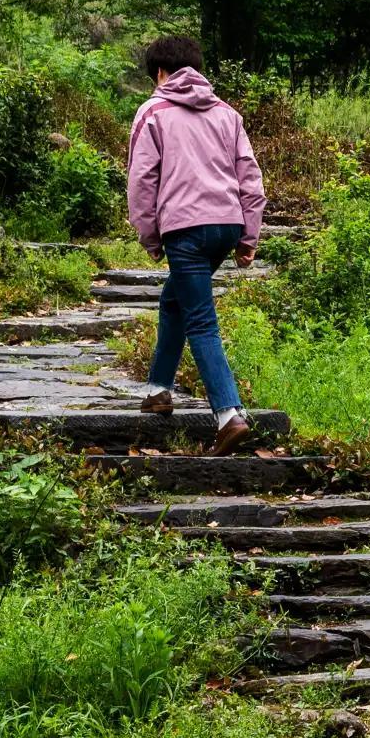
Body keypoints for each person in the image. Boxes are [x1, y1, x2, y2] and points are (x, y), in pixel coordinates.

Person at [123, 33, 267, 452]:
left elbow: (142, 178)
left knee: (201, 319)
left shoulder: (153, 110)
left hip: (184, 228)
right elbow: (250, 178)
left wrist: (149, 234)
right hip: (225, 225)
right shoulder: (227, 113)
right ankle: (157, 390)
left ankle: (228, 414)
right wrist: (248, 235)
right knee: (176, 301)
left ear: (161, 73)